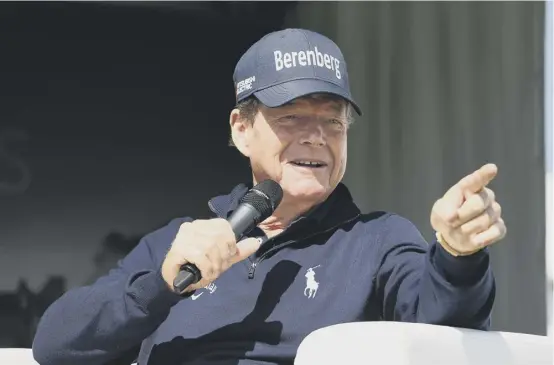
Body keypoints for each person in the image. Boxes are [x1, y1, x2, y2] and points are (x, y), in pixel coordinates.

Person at [32, 28, 506, 365]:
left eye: (333, 121)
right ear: (241, 130)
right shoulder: (180, 244)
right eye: (292, 118)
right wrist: (159, 286)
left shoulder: (376, 240)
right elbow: (55, 346)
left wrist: (457, 254)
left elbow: (444, 330)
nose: (317, 137)